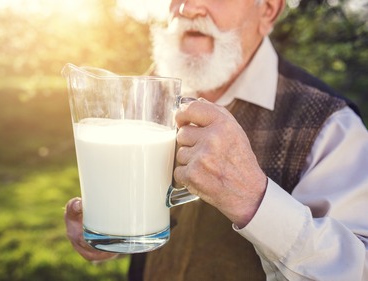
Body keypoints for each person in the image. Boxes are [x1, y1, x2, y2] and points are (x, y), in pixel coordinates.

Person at [65, 0, 368, 280]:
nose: (188, 7)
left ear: (268, 11)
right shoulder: (146, 93)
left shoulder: (330, 125)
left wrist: (252, 199)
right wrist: (114, 231)